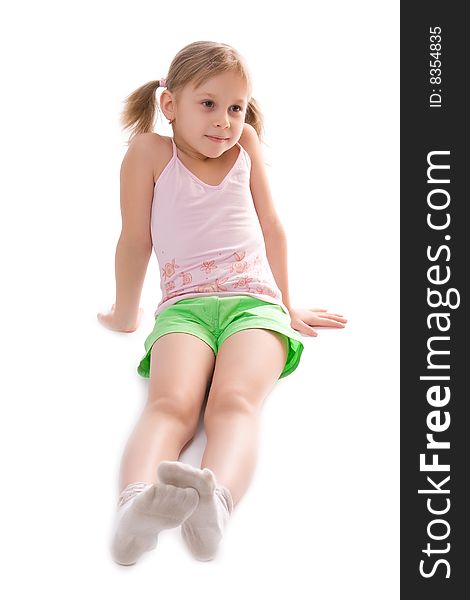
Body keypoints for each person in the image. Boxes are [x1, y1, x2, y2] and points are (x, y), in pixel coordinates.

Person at [97, 40, 347, 566]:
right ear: (170, 105)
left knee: (234, 402)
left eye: (235, 107)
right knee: (171, 405)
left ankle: (216, 508)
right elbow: (133, 240)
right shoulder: (149, 153)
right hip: (184, 309)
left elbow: (272, 228)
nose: (225, 121)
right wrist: (125, 314)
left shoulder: (245, 146)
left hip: (254, 306)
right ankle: (133, 510)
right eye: (207, 104)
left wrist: (289, 305)